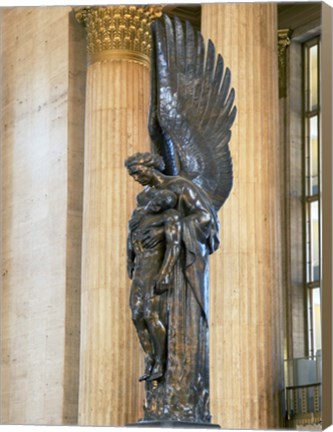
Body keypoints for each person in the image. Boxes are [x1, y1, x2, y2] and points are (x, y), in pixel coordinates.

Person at [127, 187, 181, 382]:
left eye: (161, 205)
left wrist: (165, 273)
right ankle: (149, 357)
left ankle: (160, 360)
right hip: (140, 270)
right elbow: (130, 237)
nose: (156, 205)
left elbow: (174, 247)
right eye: (157, 201)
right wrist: (129, 261)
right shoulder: (140, 215)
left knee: (151, 314)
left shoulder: (169, 216)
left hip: (154, 269)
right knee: (136, 315)